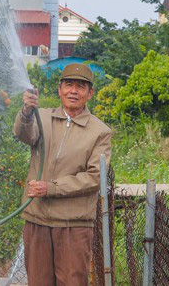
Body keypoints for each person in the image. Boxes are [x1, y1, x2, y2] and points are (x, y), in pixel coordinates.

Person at [14, 63, 112, 286]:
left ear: (90, 93)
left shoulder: (100, 131)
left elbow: (95, 176)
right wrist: (27, 113)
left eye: (81, 86)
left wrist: (51, 188)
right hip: (36, 218)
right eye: (68, 84)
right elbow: (24, 134)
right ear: (59, 89)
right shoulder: (42, 117)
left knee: (72, 282)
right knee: (38, 282)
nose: (73, 91)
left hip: (73, 223)